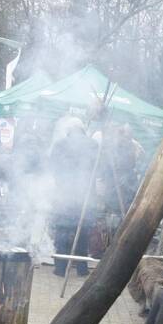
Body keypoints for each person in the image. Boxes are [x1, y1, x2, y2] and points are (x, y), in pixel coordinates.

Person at [48, 116, 98, 277]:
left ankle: (60, 268)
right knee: (82, 232)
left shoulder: (60, 144)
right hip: (85, 196)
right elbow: (99, 168)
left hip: (64, 195)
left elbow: (53, 167)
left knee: (62, 232)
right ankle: (82, 268)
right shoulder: (93, 145)